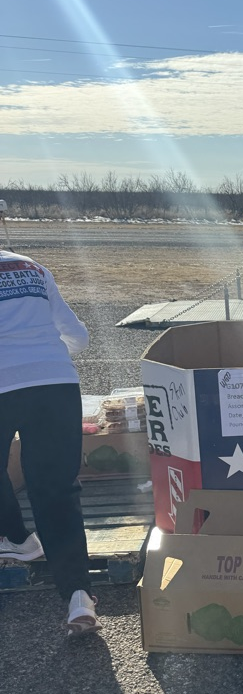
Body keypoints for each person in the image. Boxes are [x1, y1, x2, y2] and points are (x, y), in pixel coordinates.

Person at [0, 249, 101, 635]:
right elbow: (78, 336)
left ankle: (18, 537)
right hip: (55, 381)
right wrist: (45, 357)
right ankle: (79, 595)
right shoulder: (32, 267)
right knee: (55, 489)